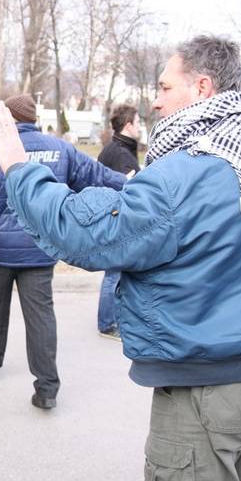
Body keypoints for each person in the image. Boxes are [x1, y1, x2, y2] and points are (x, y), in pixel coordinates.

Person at [0, 36, 241, 481]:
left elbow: (85, 232)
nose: (155, 102)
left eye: (164, 86)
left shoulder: (186, 173)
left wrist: (18, 169)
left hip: (212, 386)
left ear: (202, 87)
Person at [0, 94, 125, 410]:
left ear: (10, 119)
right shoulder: (61, 149)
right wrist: (133, 184)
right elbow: (99, 177)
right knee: (41, 316)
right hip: (41, 248)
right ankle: (47, 389)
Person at [95, 104, 142, 340]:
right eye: (138, 122)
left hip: (109, 218)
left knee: (114, 272)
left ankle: (113, 319)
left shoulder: (113, 148)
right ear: (128, 126)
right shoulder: (122, 155)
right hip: (116, 220)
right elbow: (128, 190)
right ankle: (108, 323)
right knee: (114, 273)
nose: (141, 127)